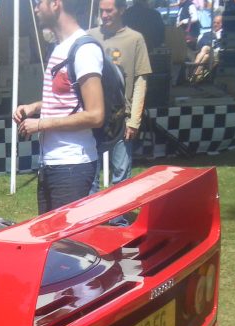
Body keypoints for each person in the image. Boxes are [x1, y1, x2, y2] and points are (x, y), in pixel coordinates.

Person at [14, 0, 104, 214]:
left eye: (39, 3)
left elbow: (96, 114)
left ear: (56, 4)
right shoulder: (59, 48)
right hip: (53, 164)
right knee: (51, 241)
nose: (36, 8)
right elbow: (68, 102)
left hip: (73, 165)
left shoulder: (84, 49)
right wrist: (34, 107)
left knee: (69, 245)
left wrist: (41, 124)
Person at [90, 0, 150, 191]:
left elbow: (141, 81)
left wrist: (134, 120)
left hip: (121, 117)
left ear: (122, 10)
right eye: (102, 11)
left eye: (109, 10)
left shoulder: (135, 39)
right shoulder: (90, 36)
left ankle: (119, 220)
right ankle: (90, 217)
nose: (104, 15)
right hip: (93, 115)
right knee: (90, 173)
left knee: (122, 175)